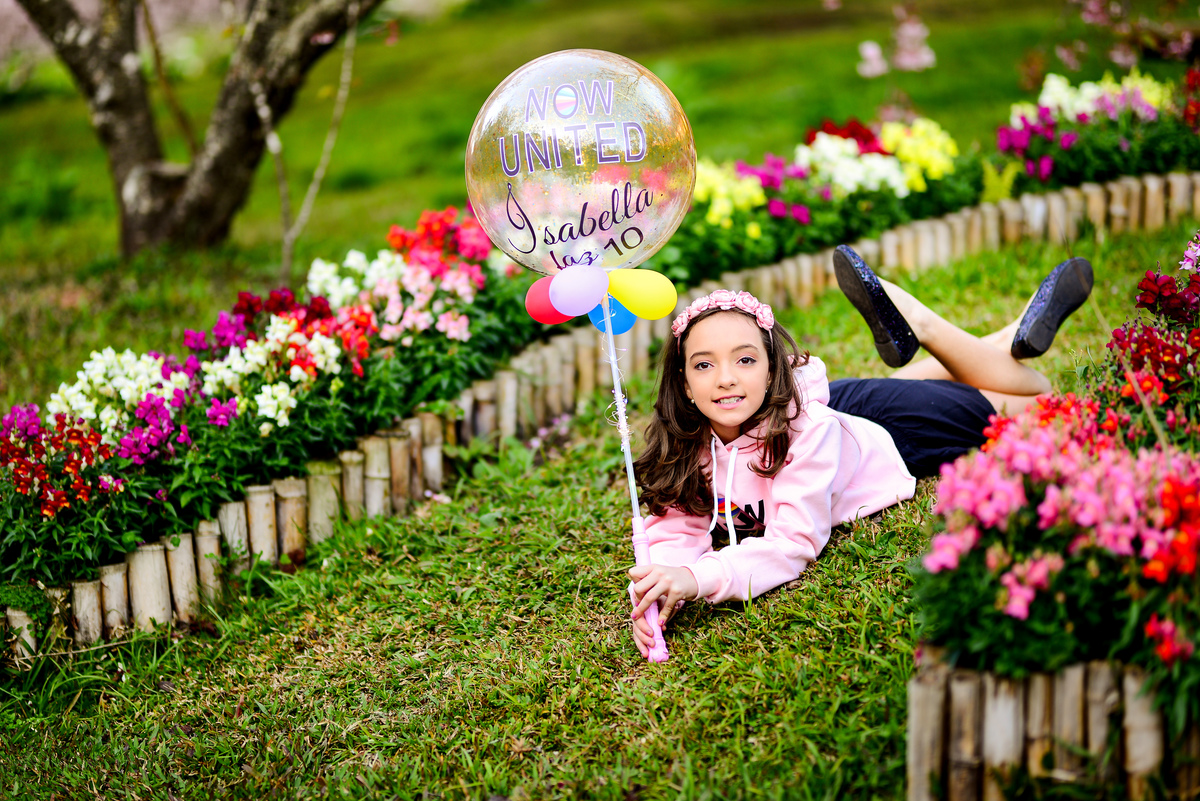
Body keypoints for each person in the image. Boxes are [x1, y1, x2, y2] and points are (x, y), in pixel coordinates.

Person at [627, 244, 1094, 658]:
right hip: (832, 415)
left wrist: (701, 578)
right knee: (953, 382)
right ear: (684, 385)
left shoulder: (806, 432)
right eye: (704, 365)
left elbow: (794, 543)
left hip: (886, 434)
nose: (725, 377)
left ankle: (922, 322)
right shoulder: (687, 441)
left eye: (745, 359)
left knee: (1036, 399)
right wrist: (664, 581)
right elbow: (676, 525)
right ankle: (1007, 336)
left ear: (773, 370)